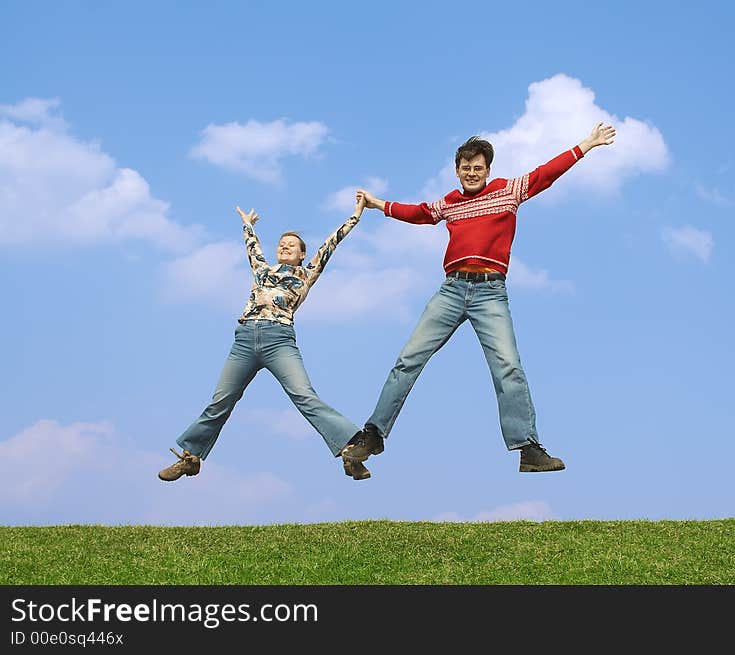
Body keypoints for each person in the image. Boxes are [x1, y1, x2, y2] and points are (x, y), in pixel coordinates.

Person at [342, 122, 616, 473]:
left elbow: (547, 173)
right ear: (457, 171)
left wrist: (586, 145)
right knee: (408, 360)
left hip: (490, 293)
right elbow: (419, 213)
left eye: (478, 168)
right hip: (452, 290)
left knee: (508, 367)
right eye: (465, 168)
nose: (471, 173)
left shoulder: (508, 191)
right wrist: (378, 203)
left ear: (488, 170)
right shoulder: (451, 203)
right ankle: (373, 434)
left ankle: (527, 448)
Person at [158, 195, 373, 482]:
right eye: (282, 243)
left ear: (301, 255)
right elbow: (252, 247)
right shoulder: (262, 270)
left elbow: (331, 243)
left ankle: (351, 451)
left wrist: (355, 215)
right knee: (220, 400)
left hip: (279, 341)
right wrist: (247, 225)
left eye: (292, 245)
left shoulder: (306, 274)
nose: (285, 246)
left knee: (304, 395)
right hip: (245, 340)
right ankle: (191, 458)